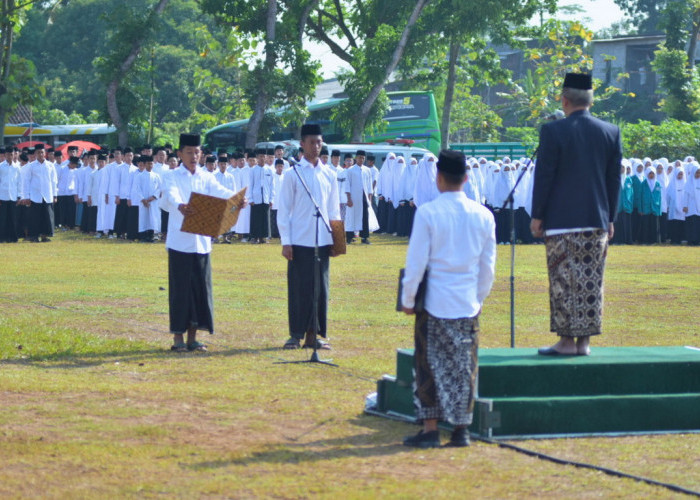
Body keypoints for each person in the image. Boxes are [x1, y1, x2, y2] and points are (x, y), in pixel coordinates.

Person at [401, 150, 496, 448]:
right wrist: (478, 298)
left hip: (434, 302)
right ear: (467, 179)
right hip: (467, 302)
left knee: (429, 364)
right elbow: (487, 267)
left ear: (438, 178)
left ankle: (430, 429)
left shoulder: (428, 213)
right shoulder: (484, 215)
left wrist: (408, 297)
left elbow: (416, 263)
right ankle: (460, 430)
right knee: (464, 366)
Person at [530, 73, 622, 356]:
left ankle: (567, 341)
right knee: (591, 282)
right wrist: (610, 218)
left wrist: (537, 215)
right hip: (596, 220)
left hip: (561, 221)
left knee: (563, 282)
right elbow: (613, 180)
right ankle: (584, 343)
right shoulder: (610, 131)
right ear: (590, 101)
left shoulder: (553, 132)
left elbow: (545, 176)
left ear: (564, 100)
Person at [162, 133, 240, 352]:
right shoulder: (172, 175)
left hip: (201, 242)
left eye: (197, 152)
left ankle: (193, 338)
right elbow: (171, 194)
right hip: (179, 242)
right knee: (180, 291)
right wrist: (180, 205)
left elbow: (220, 192)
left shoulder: (206, 176)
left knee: (198, 291)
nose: (194, 156)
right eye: (189, 152)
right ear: (179, 154)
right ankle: (178, 338)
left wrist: (237, 197)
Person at [276, 123, 341, 350]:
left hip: (322, 240)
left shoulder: (329, 175)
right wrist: (286, 241)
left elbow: (334, 211)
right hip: (299, 240)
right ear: (302, 144)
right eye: (312, 142)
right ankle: (295, 334)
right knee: (299, 288)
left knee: (320, 289)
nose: (316, 146)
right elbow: (283, 210)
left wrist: (336, 240)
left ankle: (314, 334)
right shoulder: (293, 174)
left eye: (319, 142)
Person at [21, 144, 58, 243]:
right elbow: (26, 181)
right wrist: (26, 196)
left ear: (45, 153)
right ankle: (34, 236)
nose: (40, 154)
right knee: (34, 218)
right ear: (35, 154)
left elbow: (54, 181)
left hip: (47, 195)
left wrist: (55, 195)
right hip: (35, 195)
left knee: (47, 217)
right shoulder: (31, 166)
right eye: (38, 152)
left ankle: (44, 236)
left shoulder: (50, 165)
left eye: (42, 152)